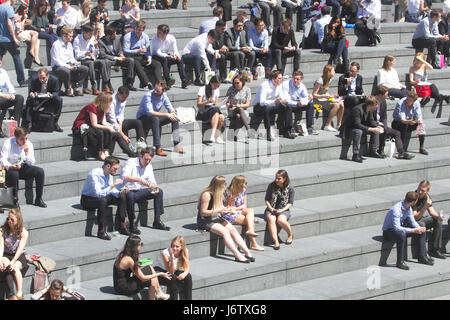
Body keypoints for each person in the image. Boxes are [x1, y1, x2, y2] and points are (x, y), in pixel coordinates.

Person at [197, 175, 255, 263]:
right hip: (206, 220)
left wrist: (229, 209)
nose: (225, 185)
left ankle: (247, 252)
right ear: (219, 184)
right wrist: (218, 210)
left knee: (233, 230)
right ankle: (237, 255)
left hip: (216, 217)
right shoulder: (207, 194)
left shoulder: (219, 193)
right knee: (225, 232)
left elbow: (221, 207)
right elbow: (203, 212)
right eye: (224, 183)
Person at [81, 156, 134, 240]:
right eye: (115, 168)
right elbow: (98, 193)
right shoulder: (94, 174)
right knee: (103, 200)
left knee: (122, 197)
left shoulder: (109, 174)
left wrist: (120, 192)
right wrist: (113, 185)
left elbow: (110, 191)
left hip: (103, 197)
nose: (116, 171)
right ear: (108, 166)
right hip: (88, 199)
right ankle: (101, 231)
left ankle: (121, 227)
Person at [73, 93, 136, 160]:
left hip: (92, 126)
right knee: (102, 131)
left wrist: (112, 126)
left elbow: (104, 122)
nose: (110, 104)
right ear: (104, 102)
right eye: (109, 103)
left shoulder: (103, 108)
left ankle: (129, 153)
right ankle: (101, 152)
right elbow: (94, 124)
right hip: (82, 126)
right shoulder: (91, 107)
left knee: (116, 134)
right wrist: (108, 127)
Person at [121, 147, 171, 232]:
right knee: (130, 195)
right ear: (141, 156)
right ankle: (132, 224)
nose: (147, 162)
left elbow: (152, 181)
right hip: (126, 191)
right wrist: (139, 179)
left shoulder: (149, 166)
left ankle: (157, 221)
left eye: (149, 160)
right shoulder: (131, 162)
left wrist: (154, 186)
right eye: (146, 159)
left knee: (159, 192)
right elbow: (124, 177)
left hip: (138, 192)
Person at [381, 191, 433, 270]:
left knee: (421, 228)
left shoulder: (408, 208)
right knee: (401, 233)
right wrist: (413, 230)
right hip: (389, 232)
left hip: (399, 229)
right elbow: (397, 228)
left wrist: (419, 228)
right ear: (413, 202)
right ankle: (400, 261)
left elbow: (412, 222)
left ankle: (422, 256)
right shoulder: (396, 209)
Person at [114, 235, 172, 299]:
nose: (141, 246)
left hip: (121, 284)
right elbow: (143, 278)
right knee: (152, 279)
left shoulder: (123, 254)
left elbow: (132, 271)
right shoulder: (129, 259)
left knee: (149, 268)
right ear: (135, 246)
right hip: (124, 288)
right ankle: (158, 294)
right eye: (140, 244)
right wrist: (159, 274)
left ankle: (159, 292)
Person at [0, 127, 46, 207]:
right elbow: (3, 159)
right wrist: (10, 166)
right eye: (22, 139)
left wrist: (27, 152)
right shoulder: (8, 143)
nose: (25, 141)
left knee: (40, 171)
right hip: (10, 168)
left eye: (26, 138)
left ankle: (39, 199)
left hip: (22, 167)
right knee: (14, 174)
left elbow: (31, 163)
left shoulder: (28, 144)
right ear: (16, 138)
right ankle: (15, 200)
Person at [137, 80, 184, 156]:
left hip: (154, 118)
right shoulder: (148, 95)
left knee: (174, 118)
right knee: (155, 118)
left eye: (158, 91)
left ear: (164, 91)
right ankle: (158, 147)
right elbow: (150, 113)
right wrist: (166, 114)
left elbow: (170, 108)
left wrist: (173, 113)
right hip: (143, 119)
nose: (155, 92)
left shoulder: (164, 96)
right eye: (155, 89)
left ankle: (176, 144)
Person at [223, 176, 265, 251]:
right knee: (249, 221)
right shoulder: (229, 192)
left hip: (237, 210)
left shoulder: (243, 190)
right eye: (244, 183)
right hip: (229, 214)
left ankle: (250, 231)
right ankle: (254, 244)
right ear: (239, 183)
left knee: (250, 210)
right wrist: (236, 209)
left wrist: (237, 208)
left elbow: (244, 205)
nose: (245, 184)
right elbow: (229, 208)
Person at [374, 84, 414, 160]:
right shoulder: (372, 101)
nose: (387, 96)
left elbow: (384, 116)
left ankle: (401, 152)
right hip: (372, 123)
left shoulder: (383, 102)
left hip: (380, 123)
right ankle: (380, 149)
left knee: (397, 133)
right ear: (380, 95)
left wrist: (385, 125)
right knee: (383, 129)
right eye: (386, 95)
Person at [252, 70, 294, 140]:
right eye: (279, 78)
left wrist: (284, 101)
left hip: (272, 106)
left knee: (288, 107)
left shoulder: (279, 85)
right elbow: (262, 102)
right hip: (258, 107)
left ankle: (287, 130)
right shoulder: (264, 85)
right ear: (273, 79)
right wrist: (274, 101)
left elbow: (282, 97)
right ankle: (268, 133)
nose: (281, 80)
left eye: (281, 78)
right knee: (266, 108)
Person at [340, 96, 383, 163]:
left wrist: (377, 126)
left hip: (361, 126)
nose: (377, 106)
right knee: (358, 132)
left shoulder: (369, 110)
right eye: (376, 105)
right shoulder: (357, 109)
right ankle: (355, 154)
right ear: (371, 105)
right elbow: (357, 124)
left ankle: (373, 151)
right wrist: (371, 129)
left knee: (376, 130)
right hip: (349, 129)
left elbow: (371, 121)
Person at [123, 20, 162, 91]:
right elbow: (125, 51)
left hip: (142, 56)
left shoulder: (145, 37)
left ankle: (160, 83)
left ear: (143, 30)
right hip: (132, 56)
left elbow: (147, 50)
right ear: (135, 28)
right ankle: (147, 83)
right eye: (137, 29)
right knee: (136, 63)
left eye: (140, 30)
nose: (138, 31)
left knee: (157, 64)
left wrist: (149, 57)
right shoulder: (128, 36)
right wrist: (137, 51)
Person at [50, 26, 89, 97]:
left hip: (69, 64)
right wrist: (69, 67)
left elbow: (71, 58)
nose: (72, 38)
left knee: (84, 69)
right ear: (64, 36)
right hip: (58, 67)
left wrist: (76, 64)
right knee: (67, 71)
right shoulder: (56, 45)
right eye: (70, 36)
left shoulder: (69, 44)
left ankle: (76, 86)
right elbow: (57, 61)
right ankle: (68, 89)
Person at [412, 180, 446, 260]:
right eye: (419, 189)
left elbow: (431, 211)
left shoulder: (427, 197)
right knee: (421, 224)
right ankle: (422, 254)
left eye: (422, 191)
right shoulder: (413, 197)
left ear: (427, 191)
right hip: (411, 222)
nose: (419, 192)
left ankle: (435, 249)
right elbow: (415, 217)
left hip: (420, 219)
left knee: (437, 221)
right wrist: (425, 206)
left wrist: (439, 217)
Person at [0, 208, 29, 300]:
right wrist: (0, 259)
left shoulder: (23, 232)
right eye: (8, 219)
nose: (9, 221)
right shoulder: (2, 230)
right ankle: (12, 295)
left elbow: (20, 249)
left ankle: (19, 293)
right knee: (7, 267)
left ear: (18, 220)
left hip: (18, 255)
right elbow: (1, 246)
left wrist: (13, 261)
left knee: (15, 267)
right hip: (6, 253)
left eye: (12, 220)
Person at [151, 24, 191, 89]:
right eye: (157, 32)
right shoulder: (154, 39)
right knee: (165, 59)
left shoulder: (171, 38)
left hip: (166, 55)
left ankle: (184, 80)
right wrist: (168, 56)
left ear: (165, 34)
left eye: (160, 33)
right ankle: (167, 80)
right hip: (156, 56)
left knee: (179, 60)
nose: (157, 34)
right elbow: (158, 52)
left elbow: (175, 50)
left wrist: (176, 55)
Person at [106, 86, 146, 152]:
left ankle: (141, 146)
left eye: (126, 98)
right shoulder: (111, 100)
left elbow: (121, 115)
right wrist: (123, 135)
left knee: (138, 122)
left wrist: (120, 126)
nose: (124, 99)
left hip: (118, 122)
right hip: (109, 123)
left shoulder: (123, 100)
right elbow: (112, 119)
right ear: (118, 94)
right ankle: (127, 150)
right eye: (123, 97)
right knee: (118, 132)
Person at [23, 68, 63, 132]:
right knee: (29, 100)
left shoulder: (54, 80)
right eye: (40, 78)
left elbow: (57, 92)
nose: (41, 80)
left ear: (48, 76)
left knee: (59, 100)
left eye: (43, 78)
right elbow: (31, 91)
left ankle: (55, 122)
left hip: (49, 98)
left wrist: (51, 95)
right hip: (38, 98)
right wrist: (32, 94)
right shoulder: (34, 79)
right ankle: (29, 123)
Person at [98, 25, 136, 92]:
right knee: (106, 62)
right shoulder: (101, 41)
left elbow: (119, 49)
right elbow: (103, 55)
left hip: (118, 58)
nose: (115, 36)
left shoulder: (117, 38)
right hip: (110, 59)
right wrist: (116, 58)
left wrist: (121, 54)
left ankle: (129, 82)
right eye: (114, 35)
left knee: (130, 60)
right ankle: (107, 84)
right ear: (108, 36)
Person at [154, 236, 192, 300]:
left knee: (188, 276)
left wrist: (184, 274)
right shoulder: (165, 253)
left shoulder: (185, 251)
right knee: (174, 278)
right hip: (161, 271)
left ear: (182, 247)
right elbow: (171, 272)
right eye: (172, 246)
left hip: (175, 269)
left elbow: (187, 267)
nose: (174, 248)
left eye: (177, 246)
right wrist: (171, 257)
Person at [264, 169, 294, 250]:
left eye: (279, 179)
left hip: (283, 210)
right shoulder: (271, 185)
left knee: (281, 220)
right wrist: (271, 208)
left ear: (284, 179)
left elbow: (290, 203)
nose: (276, 180)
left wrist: (281, 210)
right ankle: (276, 241)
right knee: (271, 218)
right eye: (276, 178)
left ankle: (290, 235)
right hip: (271, 208)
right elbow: (267, 200)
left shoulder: (290, 188)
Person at [73, 24, 106, 95]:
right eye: (89, 34)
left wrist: (96, 47)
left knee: (103, 62)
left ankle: (105, 85)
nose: (91, 36)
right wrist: (85, 53)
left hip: (90, 58)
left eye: (92, 34)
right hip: (80, 60)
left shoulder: (92, 38)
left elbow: (95, 53)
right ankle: (94, 86)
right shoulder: (77, 40)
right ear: (84, 33)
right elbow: (77, 56)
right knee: (90, 64)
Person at [391, 90, 428, 155]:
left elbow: (419, 115)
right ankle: (402, 148)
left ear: (413, 101)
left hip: (409, 121)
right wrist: (409, 122)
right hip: (397, 123)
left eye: (410, 100)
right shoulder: (401, 103)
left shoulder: (416, 103)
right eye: (407, 99)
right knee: (405, 125)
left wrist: (419, 120)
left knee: (421, 125)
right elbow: (402, 119)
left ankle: (421, 147)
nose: (407, 101)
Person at [0, 0, 26, 87]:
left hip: (0, 38)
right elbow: (9, 23)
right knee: (16, 57)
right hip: (8, 39)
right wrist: (14, 38)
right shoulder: (9, 8)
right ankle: (21, 80)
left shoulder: (0, 7)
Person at [312, 64, 344, 132]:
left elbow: (325, 91)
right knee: (336, 105)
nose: (335, 72)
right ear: (328, 72)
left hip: (324, 98)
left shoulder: (330, 79)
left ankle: (339, 124)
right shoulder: (320, 81)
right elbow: (314, 95)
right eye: (333, 71)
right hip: (317, 100)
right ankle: (327, 125)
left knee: (341, 103)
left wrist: (332, 96)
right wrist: (325, 96)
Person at [282, 70, 316, 135]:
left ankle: (309, 127)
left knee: (311, 104)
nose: (295, 80)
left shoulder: (302, 86)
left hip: (298, 104)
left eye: (297, 79)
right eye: (294, 78)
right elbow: (286, 100)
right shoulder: (285, 84)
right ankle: (289, 129)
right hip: (287, 104)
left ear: (301, 79)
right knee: (288, 107)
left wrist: (309, 99)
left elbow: (306, 97)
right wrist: (297, 103)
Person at [196, 75, 225, 144]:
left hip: (212, 109)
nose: (216, 88)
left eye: (218, 86)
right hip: (203, 110)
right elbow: (198, 104)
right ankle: (213, 135)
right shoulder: (202, 89)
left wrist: (222, 105)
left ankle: (217, 136)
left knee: (221, 117)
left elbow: (216, 104)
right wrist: (207, 101)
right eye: (215, 86)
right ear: (211, 83)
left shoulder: (217, 90)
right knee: (216, 111)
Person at [0, 55, 24, 136]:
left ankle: (15, 126)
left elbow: (9, 85)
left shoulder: (3, 72)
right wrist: (4, 95)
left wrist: (12, 94)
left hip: (2, 98)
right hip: (1, 96)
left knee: (19, 98)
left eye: (0, 63)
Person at [226, 74, 251, 142]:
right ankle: (248, 130)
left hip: (243, 110)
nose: (236, 84)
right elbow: (227, 101)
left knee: (239, 115)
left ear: (242, 82)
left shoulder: (247, 89)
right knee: (238, 111)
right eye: (234, 83)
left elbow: (248, 104)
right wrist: (228, 104)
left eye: (237, 83)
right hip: (232, 110)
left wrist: (240, 106)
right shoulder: (231, 89)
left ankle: (235, 135)